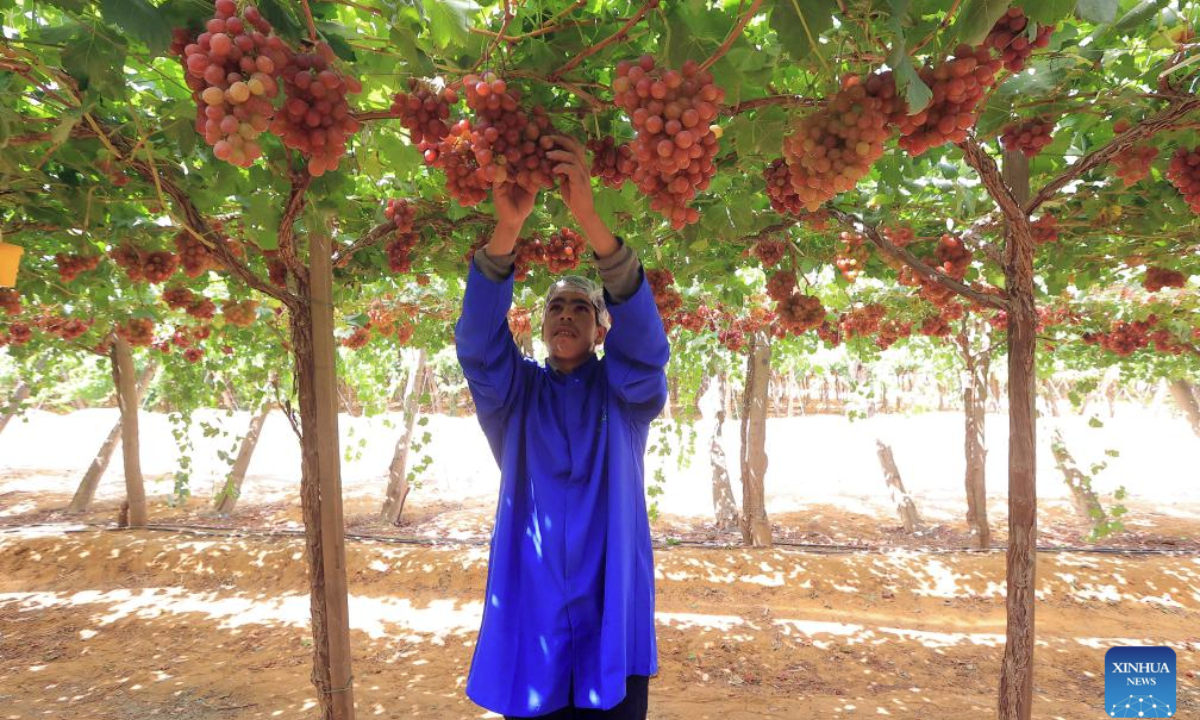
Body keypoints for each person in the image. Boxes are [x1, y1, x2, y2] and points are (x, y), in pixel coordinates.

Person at [455, 135, 670, 720]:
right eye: (556, 307)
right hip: (536, 610)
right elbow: (476, 345)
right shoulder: (514, 397)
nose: (567, 315)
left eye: (581, 307)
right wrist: (507, 231)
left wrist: (590, 221)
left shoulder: (624, 395)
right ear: (540, 327)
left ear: (603, 330)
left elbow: (648, 350)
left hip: (610, 606)